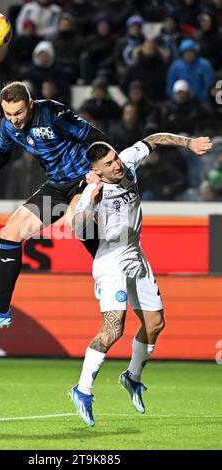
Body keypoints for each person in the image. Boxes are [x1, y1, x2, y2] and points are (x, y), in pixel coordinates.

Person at [69, 133, 212, 426]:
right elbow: (77, 226)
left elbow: (154, 138)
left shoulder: (128, 161)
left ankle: (131, 377)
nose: (117, 164)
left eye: (115, 158)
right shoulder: (93, 191)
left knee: (156, 324)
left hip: (136, 255)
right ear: (97, 171)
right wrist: (89, 205)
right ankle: (82, 389)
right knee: (113, 329)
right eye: (109, 163)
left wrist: (188, 144)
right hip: (111, 263)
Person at [0, 81, 107, 332]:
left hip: (85, 177)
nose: (14, 119)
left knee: (77, 220)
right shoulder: (8, 127)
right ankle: (0, 310)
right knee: (9, 233)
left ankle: (106, 273)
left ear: (30, 104)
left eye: (18, 112)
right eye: (8, 113)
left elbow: (95, 137)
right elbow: (3, 154)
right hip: (57, 185)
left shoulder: (52, 113)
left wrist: (100, 170)